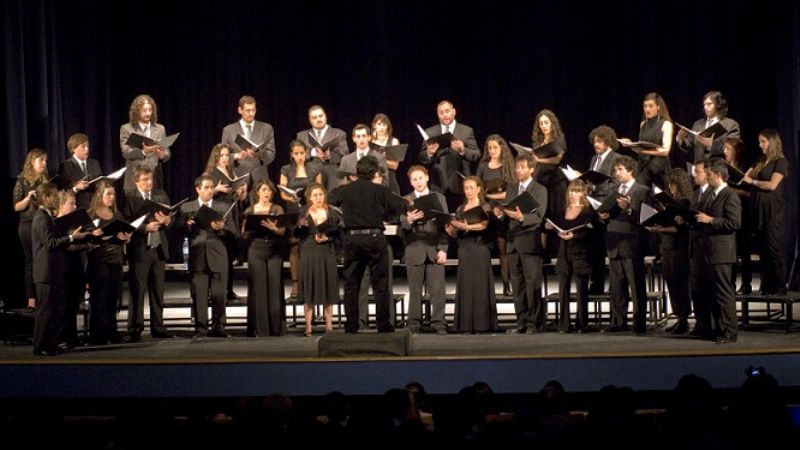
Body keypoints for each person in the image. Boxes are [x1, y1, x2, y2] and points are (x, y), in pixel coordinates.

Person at [328, 156, 406, 333]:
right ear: (374, 172)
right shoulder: (380, 190)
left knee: (351, 284)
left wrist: (348, 183)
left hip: (352, 240)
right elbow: (399, 206)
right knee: (381, 284)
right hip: (374, 238)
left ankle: (352, 324)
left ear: (357, 171)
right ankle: (383, 324)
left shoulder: (345, 189)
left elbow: (331, 198)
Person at [31, 182, 93, 356]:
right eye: (53, 196)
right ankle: (40, 346)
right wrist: (72, 237)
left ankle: (49, 344)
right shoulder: (41, 217)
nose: (57, 199)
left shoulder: (47, 217)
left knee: (54, 311)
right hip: (45, 272)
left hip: (53, 272)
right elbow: (50, 244)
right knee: (45, 312)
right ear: (45, 198)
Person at [494, 152, 547, 333]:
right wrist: (501, 215)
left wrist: (522, 216)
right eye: (517, 167)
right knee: (518, 285)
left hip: (530, 242)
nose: (518, 170)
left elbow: (539, 217)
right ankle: (521, 321)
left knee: (533, 284)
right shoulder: (511, 188)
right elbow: (507, 213)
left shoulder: (540, 190)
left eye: (522, 167)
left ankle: (534, 322)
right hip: (513, 242)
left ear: (531, 169)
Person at [122, 166, 174, 342]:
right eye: (145, 180)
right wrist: (145, 228)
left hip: (158, 248)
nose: (149, 183)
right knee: (137, 290)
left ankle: (158, 326)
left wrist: (167, 220)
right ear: (136, 181)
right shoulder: (130, 198)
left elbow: (170, 219)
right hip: (140, 249)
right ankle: (135, 328)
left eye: (150, 179)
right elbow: (126, 223)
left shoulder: (161, 196)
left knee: (157, 290)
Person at [178, 175, 234, 338]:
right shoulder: (187, 207)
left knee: (219, 294)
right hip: (197, 255)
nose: (210, 191)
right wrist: (186, 224)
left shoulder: (223, 207)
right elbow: (177, 229)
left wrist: (222, 227)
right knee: (199, 294)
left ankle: (219, 326)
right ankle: (201, 327)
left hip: (218, 254)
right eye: (206, 188)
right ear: (198, 189)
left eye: (211, 187)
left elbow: (234, 231)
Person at [600, 156, 649, 333]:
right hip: (614, 243)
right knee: (617, 288)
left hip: (632, 244)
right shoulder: (613, 190)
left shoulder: (642, 191)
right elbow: (608, 212)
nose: (616, 173)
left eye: (620, 169)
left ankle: (639, 324)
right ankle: (618, 322)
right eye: (615, 170)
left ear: (630, 170)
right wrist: (604, 216)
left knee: (636, 288)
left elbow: (645, 219)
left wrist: (628, 209)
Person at [695, 161, 741, 343]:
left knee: (724, 294)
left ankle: (730, 332)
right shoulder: (710, 195)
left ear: (719, 176)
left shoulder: (730, 195)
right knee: (712, 294)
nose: (707, 177)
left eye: (710, 174)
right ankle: (718, 328)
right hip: (708, 252)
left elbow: (735, 223)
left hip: (721, 253)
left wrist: (711, 220)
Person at [401, 165, 449, 334]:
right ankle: (414, 323)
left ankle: (439, 323)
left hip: (434, 248)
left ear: (427, 178)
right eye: (414, 179)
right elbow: (402, 227)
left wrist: (443, 249)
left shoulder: (439, 198)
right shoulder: (406, 199)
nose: (418, 182)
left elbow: (445, 225)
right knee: (414, 290)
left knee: (438, 289)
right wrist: (409, 220)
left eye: (420, 178)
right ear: (410, 182)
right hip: (415, 248)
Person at [644, 168, 693, 334]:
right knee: (672, 283)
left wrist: (661, 230)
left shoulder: (685, 202)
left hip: (678, 248)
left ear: (677, 184)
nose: (669, 187)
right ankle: (679, 316)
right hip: (667, 247)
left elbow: (681, 229)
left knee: (680, 283)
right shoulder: (671, 201)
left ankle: (684, 318)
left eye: (671, 184)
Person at [447, 176, 498, 333]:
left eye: (471, 187)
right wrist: (452, 230)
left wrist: (465, 227)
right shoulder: (460, 209)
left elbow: (484, 226)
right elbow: (456, 232)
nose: (468, 191)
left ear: (478, 189)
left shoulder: (485, 207)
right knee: (466, 286)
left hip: (479, 248)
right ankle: (466, 325)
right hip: (465, 249)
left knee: (480, 286)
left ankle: (483, 325)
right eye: (466, 188)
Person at [741, 129, 788, 295]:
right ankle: (766, 285)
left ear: (772, 142)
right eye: (759, 142)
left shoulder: (780, 162)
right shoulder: (761, 160)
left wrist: (753, 181)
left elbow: (772, 185)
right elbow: (744, 176)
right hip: (757, 209)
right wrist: (747, 178)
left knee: (772, 247)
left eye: (763, 142)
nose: (760, 145)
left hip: (771, 210)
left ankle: (780, 285)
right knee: (761, 249)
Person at [545, 180, 594, 333]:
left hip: (580, 253)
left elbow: (590, 232)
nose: (573, 194)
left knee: (581, 291)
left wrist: (575, 235)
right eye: (571, 191)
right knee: (563, 290)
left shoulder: (587, 211)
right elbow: (555, 227)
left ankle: (582, 323)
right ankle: (564, 324)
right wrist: (551, 228)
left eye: (577, 191)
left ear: (583, 193)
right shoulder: (562, 211)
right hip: (564, 252)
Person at [87, 181, 132, 345]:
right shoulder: (92, 214)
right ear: (99, 195)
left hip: (116, 259)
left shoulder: (117, 214)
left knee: (113, 296)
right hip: (99, 259)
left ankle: (111, 331)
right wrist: (94, 234)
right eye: (108, 194)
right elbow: (86, 237)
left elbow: (125, 232)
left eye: (113, 194)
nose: (112, 198)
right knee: (100, 296)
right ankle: (98, 333)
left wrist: (125, 237)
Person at [241, 180, 287, 337]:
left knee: (274, 287)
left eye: (269, 190)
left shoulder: (277, 208)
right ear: (258, 192)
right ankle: (261, 329)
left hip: (274, 250)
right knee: (259, 289)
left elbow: (282, 231)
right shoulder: (250, 210)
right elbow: (244, 235)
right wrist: (247, 226)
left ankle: (276, 328)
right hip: (256, 250)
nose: (267, 193)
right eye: (264, 190)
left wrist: (274, 228)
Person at [417, 100, 481, 210]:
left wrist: (462, 150)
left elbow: (476, 154)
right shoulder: (430, 132)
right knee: (440, 222)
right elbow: (421, 157)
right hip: (438, 186)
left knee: (460, 221)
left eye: (447, 111)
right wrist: (429, 153)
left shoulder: (466, 131)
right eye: (441, 112)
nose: (444, 115)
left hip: (460, 186)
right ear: (438, 114)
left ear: (454, 112)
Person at [203, 143, 248, 300]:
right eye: (221, 155)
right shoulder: (211, 173)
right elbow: (203, 194)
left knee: (229, 252)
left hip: (232, 214)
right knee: (218, 253)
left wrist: (242, 191)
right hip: (219, 213)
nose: (224, 158)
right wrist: (216, 190)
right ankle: (213, 290)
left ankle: (228, 289)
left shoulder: (231, 172)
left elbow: (240, 197)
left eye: (227, 155)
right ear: (215, 157)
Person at [297, 183, 342, 336]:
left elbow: (339, 233)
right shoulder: (303, 212)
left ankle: (329, 325)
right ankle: (308, 326)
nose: (318, 198)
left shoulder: (331, 212)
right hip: (309, 250)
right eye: (315, 195)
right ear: (309, 197)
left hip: (326, 250)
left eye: (320, 195)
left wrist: (328, 237)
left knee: (327, 286)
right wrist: (301, 225)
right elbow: (295, 233)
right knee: (310, 285)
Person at [279, 140, 323, 298]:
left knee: (312, 246)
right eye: (296, 153)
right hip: (293, 209)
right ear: (291, 155)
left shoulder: (315, 168)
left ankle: (314, 282)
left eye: (302, 153)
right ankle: (296, 283)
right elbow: (282, 191)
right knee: (294, 245)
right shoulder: (286, 169)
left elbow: (320, 189)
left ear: (306, 153)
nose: (299, 156)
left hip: (310, 209)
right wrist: (291, 198)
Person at [476, 134, 516, 296]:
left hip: (502, 212)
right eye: (489, 148)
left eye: (495, 148)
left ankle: (507, 285)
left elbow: (512, 192)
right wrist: (486, 202)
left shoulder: (507, 166)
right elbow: (477, 189)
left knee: (502, 249)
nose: (492, 150)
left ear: (502, 148)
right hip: (486, 210)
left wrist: (493, 198)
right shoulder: (483, 166)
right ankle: (483, 288)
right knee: (482, 248)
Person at [586, 125, 622, 294]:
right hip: (593, 208)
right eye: (594, 142)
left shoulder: (616, 158)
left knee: (612, 250)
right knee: (595, 249)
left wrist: (596, 189)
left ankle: (616, 285)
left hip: (610, 208)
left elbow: (617, 186)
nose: (596, 145)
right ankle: (597, 283)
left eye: (600, 141)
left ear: (608, 141)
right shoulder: (594, 159)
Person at [13, 148, 49, 312]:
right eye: (41, 160)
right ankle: (31, 301)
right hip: (28, 224)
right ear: (32, 162)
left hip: (43, 223)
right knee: (31, 262)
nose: (44, 163)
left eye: (45, 161)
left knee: (43, 261)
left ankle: (44, 298)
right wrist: (29, 197)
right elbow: (16, 206)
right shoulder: (22, 180)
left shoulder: (45, 179)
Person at [56, 190, 92, 348]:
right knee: (65, 305)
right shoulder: (56, 223)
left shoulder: (75, 221)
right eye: (71, 203)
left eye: (75, 203)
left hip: (76, 267)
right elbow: (66, 247)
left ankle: (72, 337)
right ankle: (63, 337)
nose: (75, 206)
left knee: (73, 304)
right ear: (61, 205)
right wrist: (84, 244)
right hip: (64, 269)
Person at [119, 94, 171, 191]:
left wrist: (161, 155)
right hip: (134, 182)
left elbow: (167, 153)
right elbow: (126, 153)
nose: (148, 113)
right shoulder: (127, 129)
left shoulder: (160, 129)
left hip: (154, 181)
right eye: (144, 110)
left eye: (150, 110)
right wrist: (144, 152)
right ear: (137, 112)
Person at [621, 92, 674, 187]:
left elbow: (665, 151)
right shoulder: (643, 124)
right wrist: (631, 144)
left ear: (658, 107)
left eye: (651, 106)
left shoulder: (666, 124)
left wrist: (644, 151)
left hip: (659, 169)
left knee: (658, 198)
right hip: (643, 167)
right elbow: (642, 145)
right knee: (641, 195)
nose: (647, 109)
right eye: (645, 106)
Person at [676, 90, 741, 164]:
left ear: (718, 105)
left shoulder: (731, 125)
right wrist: (681, 139)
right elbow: (689, 145)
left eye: (709, 104)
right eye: (704, 104)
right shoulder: (698, 124)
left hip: (719, 170)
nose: (705, 107)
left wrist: (711, 144)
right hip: (700, 170)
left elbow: (733, 150)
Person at [686, 159, 713, 337]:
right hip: (695, 247)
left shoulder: (714, 193)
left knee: (710, 288)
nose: (694, 175)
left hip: (710, 247)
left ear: (708, 173)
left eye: (698, 172)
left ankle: (713, 325)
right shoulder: (695, 194)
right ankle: (701, 324)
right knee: (696, 288)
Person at [296, 105, 350, 193]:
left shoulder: (339, 133)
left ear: (325, 116)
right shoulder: (302, 136)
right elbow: (297, 155)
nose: (318, 119)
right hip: (311, 176)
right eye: (314, 117)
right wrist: (313, 152)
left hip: (332, 177)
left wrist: (330, 155)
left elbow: (344, 153)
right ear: (310, 120)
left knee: (332, 204)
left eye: (320, 116)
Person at [220, 95, 276, 178]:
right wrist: (237, 156)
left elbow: (271, 155)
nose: (251, 114)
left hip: (260, 177)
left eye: (253, 110)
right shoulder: (228, 130)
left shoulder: (266, 128)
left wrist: (259, 154)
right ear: (240, 110)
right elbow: (222, 156)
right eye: (248, 110)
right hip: (238, 176)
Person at [723, 138, 752, 294]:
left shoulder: (745, 169)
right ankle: (731, 284)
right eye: (724, 149)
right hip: (727, 212)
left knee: (743, 250)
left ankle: (746, 284)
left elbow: (747, 192)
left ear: (736, 151)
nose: (725, 152)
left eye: (728, 149)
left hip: (742, 212)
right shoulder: (724, 168)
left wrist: (728, 189)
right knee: (730, 251)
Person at [531, 109, 569, 220]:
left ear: (552, 123)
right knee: (543, 214)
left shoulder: (559, 137)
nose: (543, 126)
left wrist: (538, 159)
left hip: (556, 182)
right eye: (541, 123)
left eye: (546, 122)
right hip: (541, 181)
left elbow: (557, 159)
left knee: (557, 214)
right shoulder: (539, 139)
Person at [56, 133, 103, 209]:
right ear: (73, 149)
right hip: (77, 207)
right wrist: (76, 188)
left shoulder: (94, 163)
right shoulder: (66, 166)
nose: (87, 149)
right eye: (83, 146)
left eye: (87, 146)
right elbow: (62, 192)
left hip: (96, 207)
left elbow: (100, 182)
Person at [371, 113, 402, 194]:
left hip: (389, 177)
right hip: (371, 177)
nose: (381, 127)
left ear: (388, 126)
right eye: (379, 124)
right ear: (374, 125)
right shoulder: (369, 141)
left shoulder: (394, 141)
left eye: (384, 124)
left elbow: (394, 166)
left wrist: (379, 159)